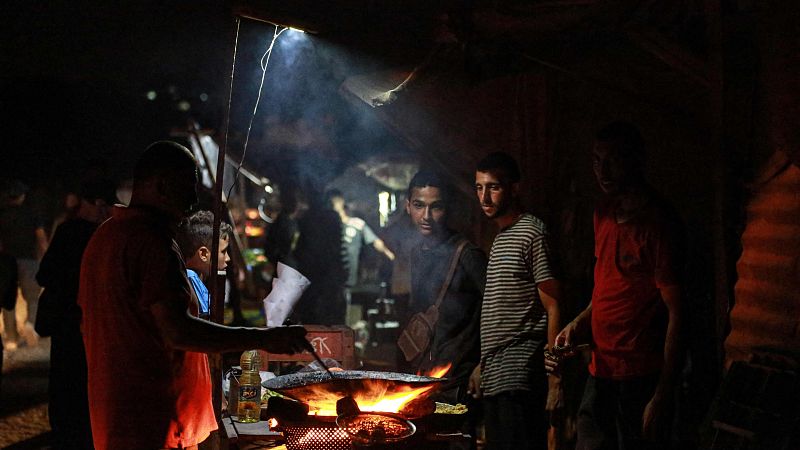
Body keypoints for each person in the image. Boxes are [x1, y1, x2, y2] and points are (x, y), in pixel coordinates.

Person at [78, 141, 308, 450]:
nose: (195, 196)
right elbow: (178, 331)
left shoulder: (105, 236)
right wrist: (264, 339)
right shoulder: (151, 242)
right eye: (188, 183)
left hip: (117, 414)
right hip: (158, 420)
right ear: (162, 185)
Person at [553, 122, 684, 450]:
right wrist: (579, 323)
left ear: (636, 160)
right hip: (601, 370)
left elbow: (679, 313)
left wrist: (663, 393)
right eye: (597, 160)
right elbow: (607, 288)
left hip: (639, 375)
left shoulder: (659, 223)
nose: (603, 170)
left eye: (613, 160)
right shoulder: (604, 213)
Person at [470, 152, 563, 450]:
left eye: (494, 187)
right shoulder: (501, 238)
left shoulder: (532, 232)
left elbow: (553, 305)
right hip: (497, 374)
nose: (485, 197)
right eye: (479, 187)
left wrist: (554, 379)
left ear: (514, 188)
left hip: (520, 371)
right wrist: (483, 364)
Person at [35, 179, 117, 449]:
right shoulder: (104, 236)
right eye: (105, 206)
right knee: (86, 380)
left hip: (64, 322)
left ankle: (63, 433)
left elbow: (44, 274)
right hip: (92, 322)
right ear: (97, 203)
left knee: (62, 379)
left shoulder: (67, 231)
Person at [403, 170, 486, 400]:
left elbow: (497, 312)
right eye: (419, 205)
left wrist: (483, 365)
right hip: (423, 376)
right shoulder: (417, 252)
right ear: (408, 206)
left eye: (436, 207)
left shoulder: (467, 255)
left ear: (447, 209)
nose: (426, 216)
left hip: (458, 378)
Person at [0, 179, 48, 350]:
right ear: (22, 196)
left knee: (8, 301)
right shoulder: (32, 213)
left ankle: (11, 338)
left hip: (6, 262)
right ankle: (30, 325)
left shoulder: (2, 214)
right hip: (29, 260)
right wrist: (45, 257)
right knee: (33, 298)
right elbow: (41, 238)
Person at [328, 189, 395, 292]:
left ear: (341, 201)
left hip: (351, 279)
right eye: (331, 201)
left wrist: (390, 255)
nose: (333, 203)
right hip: (331, 278)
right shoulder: (326, 226)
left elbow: (375, 242)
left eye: (336, 200)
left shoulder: (357, 224)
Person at [176, 210, 233, 319]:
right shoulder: (190, 277)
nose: (228, 258)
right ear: (203, 254)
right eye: (223, 252)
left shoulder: (198, 277)